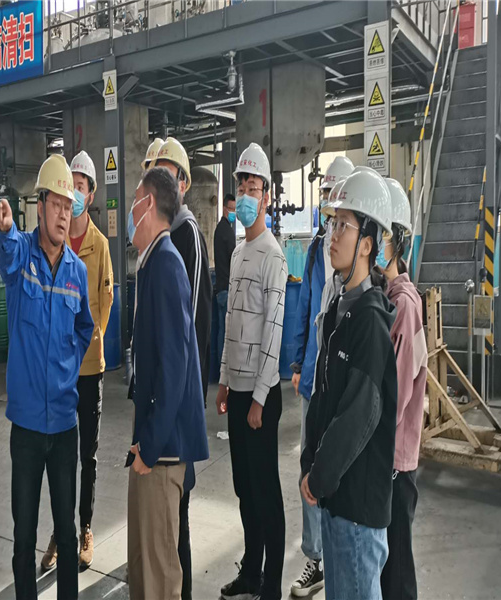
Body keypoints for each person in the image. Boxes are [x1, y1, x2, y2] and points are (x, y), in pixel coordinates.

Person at [0, 154, 94, 600]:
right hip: (28, 427)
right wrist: (4, 227)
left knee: (67, 535)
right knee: (24, 536)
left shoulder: (77, 271)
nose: (63, 215)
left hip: (65, 425)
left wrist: (67, 365)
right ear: (40, 206)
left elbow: (84, 327)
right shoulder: (21, 259)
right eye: (56, 205)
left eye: (69, 207)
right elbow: (7, 247)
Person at [300, 167, 398, 600]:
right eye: (331, 223)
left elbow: (358, 415)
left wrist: (319, 475)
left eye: (343, 225)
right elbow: (322, 400)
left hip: (357, 508)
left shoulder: (371, 323)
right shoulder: (340, 309)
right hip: (335, 501)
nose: (332, 235)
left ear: (368, 244)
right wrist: (310, 463)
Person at [126, 166, 209, 600]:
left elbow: (176, 367)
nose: (130, 210)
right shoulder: (152, 262)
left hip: (163, 450)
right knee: (143, 569)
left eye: (135, 200)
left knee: (159, 577)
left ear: (150, 205)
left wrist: (152, 445)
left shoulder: (168, 264)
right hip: (151, 445)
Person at [216, 143, 287, 600]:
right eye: (241, 186)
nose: (245, 193)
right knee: (244, 488)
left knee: (266, 493)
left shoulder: (272, 255)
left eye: (253, 187)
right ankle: (251, 572)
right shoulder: (240, 251)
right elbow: (232, 324)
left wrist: (259, 398)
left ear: (266, 196)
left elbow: (273, 332)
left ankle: (271, 586)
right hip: (238, 390)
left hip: (262, 396)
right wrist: (225, 380)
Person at [40, 151, 114, 571]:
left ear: (91, 193)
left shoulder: (99, 246)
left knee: (88, 455)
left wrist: (82, 343)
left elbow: (104, 304)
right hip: (57, 370)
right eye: (72, 187)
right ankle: (60, 530)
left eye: (82, 186)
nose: (76, 194)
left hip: (88, 368)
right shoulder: (54, 241)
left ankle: (85, 528)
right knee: (60, 456)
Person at [289, 155, 354, 598]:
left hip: (340, 387)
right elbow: (305, 310)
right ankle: (315, 559)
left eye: (336, 197)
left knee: (338, 469)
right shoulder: (317, 249)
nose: (329, 206)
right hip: (313, 379)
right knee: (309, 466)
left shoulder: (357, 262)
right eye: (325, 196)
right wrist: (298, 363)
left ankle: (338, 554)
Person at [150, 137, 212, 600]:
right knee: (168, 512)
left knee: (178, 510)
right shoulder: (165, 237)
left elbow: (183, 334)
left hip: (179, 400)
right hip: (165, 397)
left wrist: (172, 403)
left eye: (168, 174)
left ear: (184, 184)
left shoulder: (185, 236)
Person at [379, 178, 427, 600]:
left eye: (380, 232)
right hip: (389, 454)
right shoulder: (388, 297)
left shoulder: (404, 306)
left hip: (395, 458)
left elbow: (394, 398)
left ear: (396, 241)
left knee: (396, 569)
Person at [214, 193, 236, 369]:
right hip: (226, 288)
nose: (234, 212)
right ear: (224, 209)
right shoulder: (227, 232)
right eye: (231, 209)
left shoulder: (219, 229)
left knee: (222, 329)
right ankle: (224, 368)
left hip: (220, 286)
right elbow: (234, 260)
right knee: (226, 332)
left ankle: (220, 366)